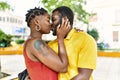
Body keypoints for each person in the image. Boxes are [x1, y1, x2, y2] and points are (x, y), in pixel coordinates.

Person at [48, 6, 97, 80]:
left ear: (65, 20)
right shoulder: (51, 44)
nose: (51, 24)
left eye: (54, 20)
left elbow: (84, 76)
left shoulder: (86, 40)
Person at [23, 7, 70, 80]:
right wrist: (60, 38)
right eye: (48, 20)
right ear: (37, 22)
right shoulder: (36, 43)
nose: (50, 24)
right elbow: (63, 67)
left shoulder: (31, 42)